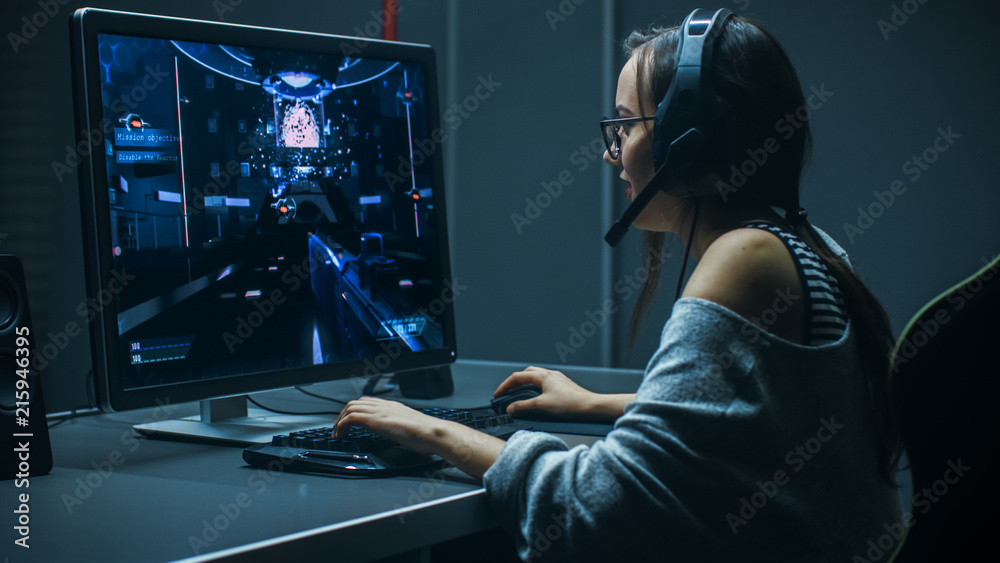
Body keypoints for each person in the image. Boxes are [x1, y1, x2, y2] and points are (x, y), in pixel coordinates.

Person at [334, 12, 903, 561]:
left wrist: (437, 433)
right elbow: (764, 420)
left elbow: (599, 511)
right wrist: (596, 404)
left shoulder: (745, 260)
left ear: (691, 141)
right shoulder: (804, 243)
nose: (612, 154)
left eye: (626, 126)